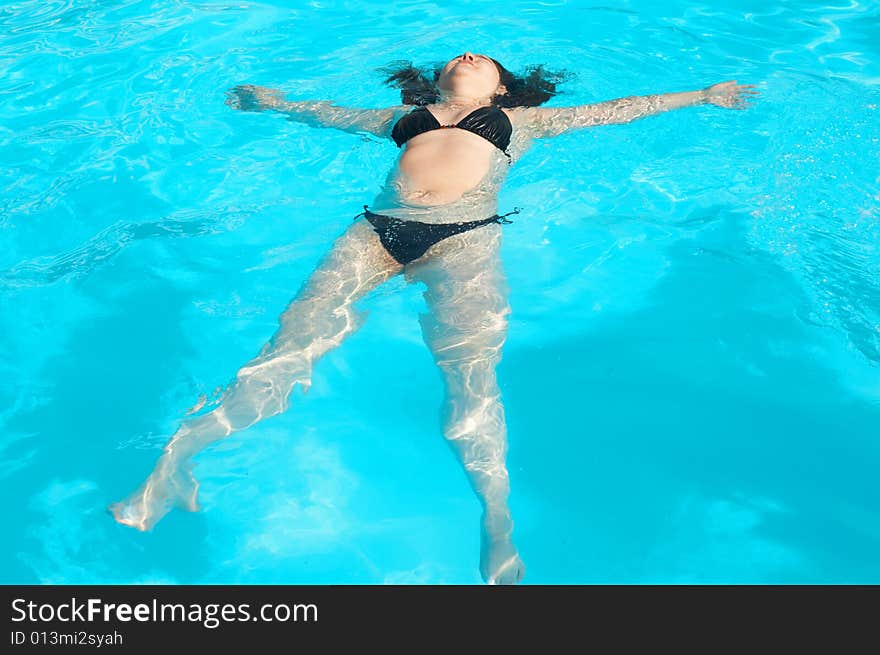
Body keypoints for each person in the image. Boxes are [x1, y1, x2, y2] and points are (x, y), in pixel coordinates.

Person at [108, 51, 758, 585]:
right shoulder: (404, 117)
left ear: (504, 88)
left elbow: (613, 111)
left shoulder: (524, 122)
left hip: (466, 240)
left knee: (471, 381)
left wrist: (700, 93)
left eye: (484, 60)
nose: (469, 55)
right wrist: (271, 100)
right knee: (288, 349)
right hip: (372, 234)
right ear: (441, 79)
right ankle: (177, 458)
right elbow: (326, 114)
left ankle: (496, 520)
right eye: (459, 56)